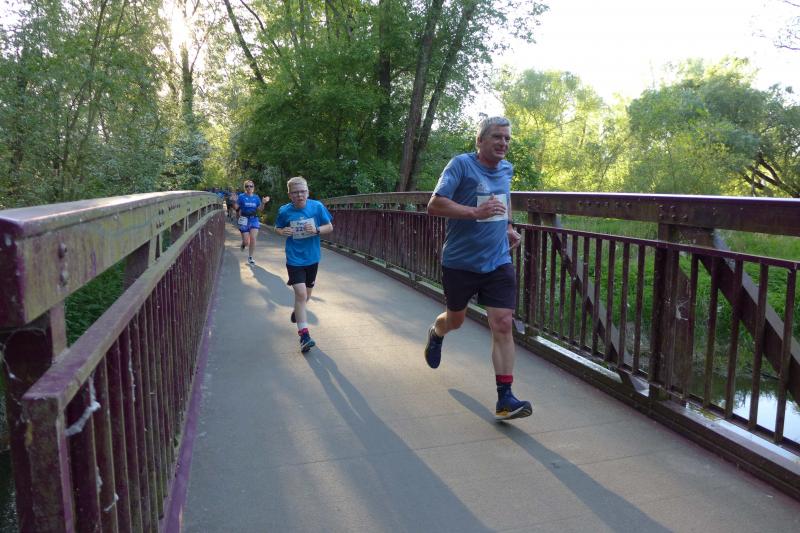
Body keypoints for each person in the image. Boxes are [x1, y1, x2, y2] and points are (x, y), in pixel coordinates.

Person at [424, 116, 531, 421]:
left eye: (507, 138)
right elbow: (434, 205)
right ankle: (437, 332)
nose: (503, 143)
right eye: (497, 137)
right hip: (460, 263)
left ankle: (505, 398)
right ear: (480, 140)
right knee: (455, 320)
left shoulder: (506, 169)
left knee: (503, 323)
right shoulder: (460, 165)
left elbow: (505, 198)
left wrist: (508, 226)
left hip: (498, 260)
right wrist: (475, 212)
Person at [274, 176, 333, 353]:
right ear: (289, 195)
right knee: (300, 294)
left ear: (307, 192)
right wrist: (282, 231)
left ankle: (297, 311)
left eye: (303, 191)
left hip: (312, 258)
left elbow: (329, 226)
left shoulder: (317, 207)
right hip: (294, 258)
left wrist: (316, 230)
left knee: (305, 296)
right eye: (295, 192)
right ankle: (304, 336)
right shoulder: (285, 211)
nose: (300, 195)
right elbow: (277, 227)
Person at [233, 181, 270, 266]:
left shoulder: (256, 197)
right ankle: (243, 244)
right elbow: (236, 208)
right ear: (245, 188)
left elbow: (260, 209)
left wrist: (263, 203)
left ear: (253, 187)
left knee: (253, 238)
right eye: (247, 186)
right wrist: (234, 201)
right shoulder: (241, 196)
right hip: (244, 220)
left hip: (254, 219)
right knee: (246, 242)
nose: (249, 188)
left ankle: (250, 257)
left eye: (251, 186)